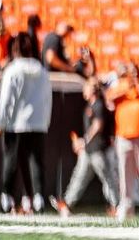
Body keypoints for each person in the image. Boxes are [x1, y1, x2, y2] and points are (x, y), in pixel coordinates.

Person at [0, 31, 52, 214]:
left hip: (16, 124)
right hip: (38, 123)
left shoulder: (12, 70)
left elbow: (6, 99)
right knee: (36, 162)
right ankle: (38, 199)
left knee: (11, 161)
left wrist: (1, 121)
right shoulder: (42, 72)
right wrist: (45, 120)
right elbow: (48, 99)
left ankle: (6, 199)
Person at [51, 76, 119, 216]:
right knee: (79, 177)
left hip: (98, 149)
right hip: (89, 150)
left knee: (108, 179)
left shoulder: (98, 105)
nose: (84, 91)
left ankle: (117, 206)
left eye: (86, 88)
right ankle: (67, 204)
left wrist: (84, 141)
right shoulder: (91, 105)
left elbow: (98, 125)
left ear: (92, 90)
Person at [110, 62, 139, 220]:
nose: (132, 75)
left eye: (134, 72)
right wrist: (125, 86)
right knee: (125, 173)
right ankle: (126, 205)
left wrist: (135, 86)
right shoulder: (119, 88)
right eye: (129, 73)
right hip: (124, 136)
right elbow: (109, 99)